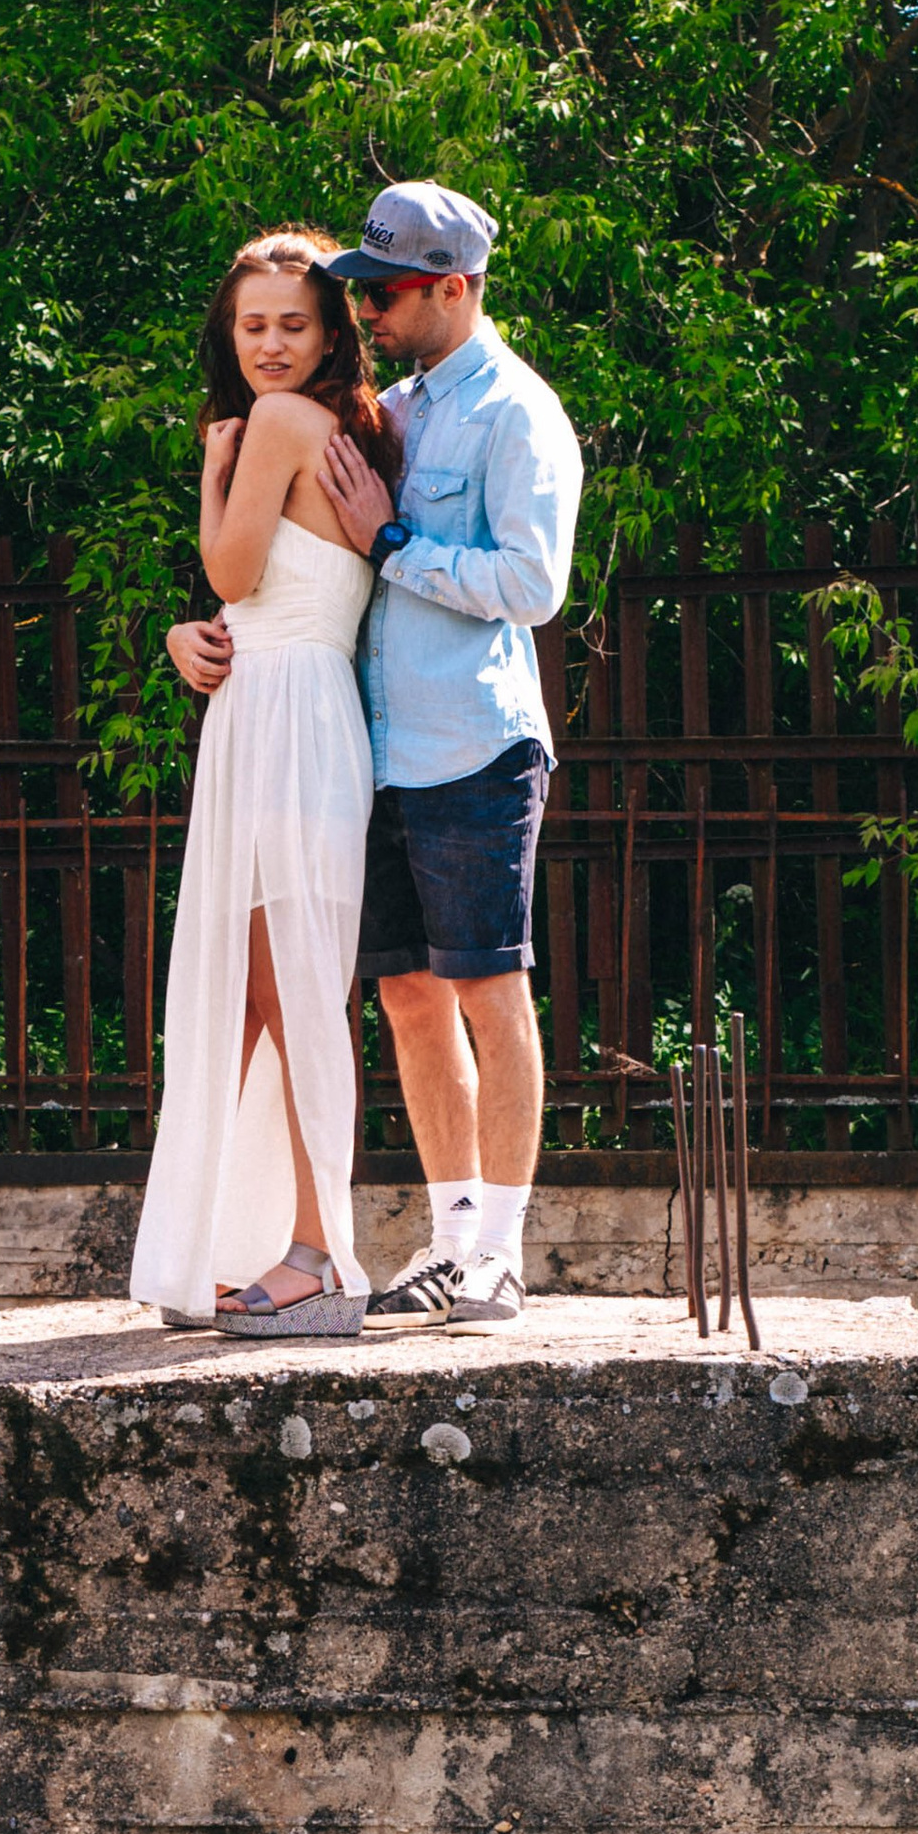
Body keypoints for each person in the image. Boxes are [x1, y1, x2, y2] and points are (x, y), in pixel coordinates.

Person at [168, 181, 581, 1327]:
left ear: (452, 287)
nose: (366, 310)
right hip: (373, 745)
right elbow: (293, 576)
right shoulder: (385, 411)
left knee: (489, 988)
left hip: (473, 741)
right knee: (405, 996)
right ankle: (448, 1240)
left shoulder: (517, 412)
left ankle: (498, 1251)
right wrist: (196, 632)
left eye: (385, 292)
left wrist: (392, 541)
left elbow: (532, 585)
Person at [127, 230, 404, 1339]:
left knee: (290, 994)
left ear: (332, 333)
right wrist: (182, 635)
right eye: (253, 325)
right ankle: (217, 1241)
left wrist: (210, 474)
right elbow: (251, 598)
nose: (272, 344)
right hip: (278, 709)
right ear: (228, 332)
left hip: (286, 717)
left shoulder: (283, 422)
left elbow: (234, 574)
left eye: (295, 323)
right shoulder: (338, 426)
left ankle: (318, 1254)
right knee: (254, 991)